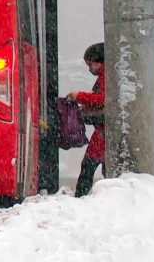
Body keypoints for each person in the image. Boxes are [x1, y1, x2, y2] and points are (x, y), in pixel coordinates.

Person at [67, 43, 105, 197]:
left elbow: (103, 99)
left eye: (91, 64)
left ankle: (81, 196)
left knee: (89, 165)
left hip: (103, 132)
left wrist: (79, 96)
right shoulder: (108, 74)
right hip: (104, 130)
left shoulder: (106, 76)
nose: (90, 69)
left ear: (99, 61)